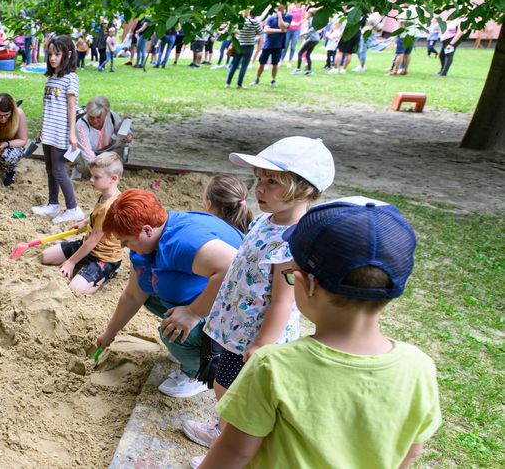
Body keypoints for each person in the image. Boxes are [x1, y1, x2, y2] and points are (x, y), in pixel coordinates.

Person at [199, 197, 440, 469]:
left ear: (305, 284)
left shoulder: (272, 366)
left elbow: (234, 452)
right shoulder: (419, 368)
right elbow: (409, 452)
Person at [184, 137, 334, 458]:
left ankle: (233, 447)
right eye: (258, 179)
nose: (259, 189)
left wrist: (263, 344)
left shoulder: (291, 241)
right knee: (224, 384)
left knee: (235, 391)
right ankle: (223, 432)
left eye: (271, 182)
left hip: (255, 336)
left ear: (304, 190)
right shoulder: (266, 221)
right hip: (236, 324)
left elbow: (284, 300)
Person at [96, 189, 242, 398]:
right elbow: (133, 295)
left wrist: (193, 313)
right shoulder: (152, 238)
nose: (122, 246)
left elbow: (233, 268)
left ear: (147, 230)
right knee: (149, 292)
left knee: (172, 329)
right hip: (208, 288)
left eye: (125, 240)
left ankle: (199, 373)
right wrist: (109, 334)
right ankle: (191, 348)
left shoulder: (183, 242)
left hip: (240, 307)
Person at [39, 152, 124, 294]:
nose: (91, 180)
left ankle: (109, 272)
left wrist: (71, 262)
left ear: (113, 178)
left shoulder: (109, 206)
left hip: (104, 257)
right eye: (91, 175)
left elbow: (93, 241)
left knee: (75, 289)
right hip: (87, 246)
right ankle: (82, 263)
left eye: (96, 177)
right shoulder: (106, 192)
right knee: (46, 256)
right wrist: (85, 222)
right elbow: (97, 218)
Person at [33, 35, 84, 223]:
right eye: (50, 54)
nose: (52, 58)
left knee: (59, 170)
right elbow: (47, 107)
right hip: (49, 131)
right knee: (49, 168)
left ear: (68, 54)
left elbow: (72, 107)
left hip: (61, 132)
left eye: (57, 54)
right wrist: (41, 129)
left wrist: (72, 134)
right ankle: (53, 204)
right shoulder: (51, 79)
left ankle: (73, 208)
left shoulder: (71, 79)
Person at [71, 95, 133, 171]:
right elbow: (87, 153)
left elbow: (122, 131)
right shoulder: (81, 125)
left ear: (106, 113)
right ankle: (78, 170)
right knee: (86, 166)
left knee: (122, 146)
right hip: (84, 153)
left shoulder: (112, 116)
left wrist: (128, 135)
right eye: (91, 117)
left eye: (98, 117)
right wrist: (99, 170)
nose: (95, 121)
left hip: (104, 150)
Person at [253, 4, 289, 87]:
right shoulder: (271, 18)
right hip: (268, 44)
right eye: (277, 6)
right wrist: (281, 31)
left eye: (281, 6)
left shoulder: (288, 16)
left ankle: (273, 80)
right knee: (261, 63)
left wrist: (280, 17)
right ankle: (257, 79)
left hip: (278, 45)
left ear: (284, 7)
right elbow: (266, 30)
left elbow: (284, 26)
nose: (279, 8)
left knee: (275, 64)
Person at [227, 8, 261, 88]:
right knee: (244, 66)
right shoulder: (255, 22)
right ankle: (239, 84)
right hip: (249, 46)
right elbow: (260, 32)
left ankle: (228, 82)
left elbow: (233, 32)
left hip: (238, 45)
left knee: (234, 65)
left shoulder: (239, 22)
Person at [291, 11, 320, 75]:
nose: (306, 14)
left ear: (310, 14)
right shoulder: (311, 19)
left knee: (300, 53)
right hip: (315, 39)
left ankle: (298, 69)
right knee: (307, 54)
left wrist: (305, 33)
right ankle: (309, 70)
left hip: (312, 39)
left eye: (307, 13)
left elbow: (314, 28)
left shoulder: (312, 19)